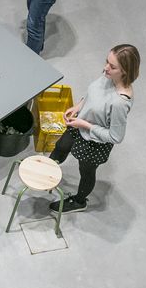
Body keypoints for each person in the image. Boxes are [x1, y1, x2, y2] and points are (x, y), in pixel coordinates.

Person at [48, 44, 139, 213]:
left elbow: (116, 136)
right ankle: (47, 173)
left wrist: (84, 125)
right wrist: (79, 106)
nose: (105, 68)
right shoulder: (108, 76)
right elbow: (93, 94)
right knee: (61, 146)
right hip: (81, 123)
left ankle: (79, 201)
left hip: (94, 141)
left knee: (86, 171)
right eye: (107, 62)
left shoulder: (120, 102)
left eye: (112, 66)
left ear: (125, 71)